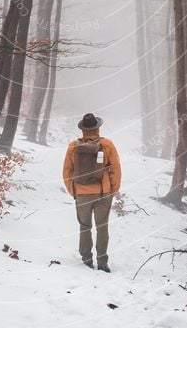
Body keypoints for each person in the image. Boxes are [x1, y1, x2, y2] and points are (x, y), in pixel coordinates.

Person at [62, 112, 121, 272]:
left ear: (83, 129)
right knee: (102, 227)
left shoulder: (73, 147)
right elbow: (115, 169)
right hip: (103, 193)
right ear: (97, 127)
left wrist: (74, 190)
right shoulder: (107, 144)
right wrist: (113, 190)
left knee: (85, 226)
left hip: (82, 194)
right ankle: (102, 262)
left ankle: (86, 259)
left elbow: (67, 171)